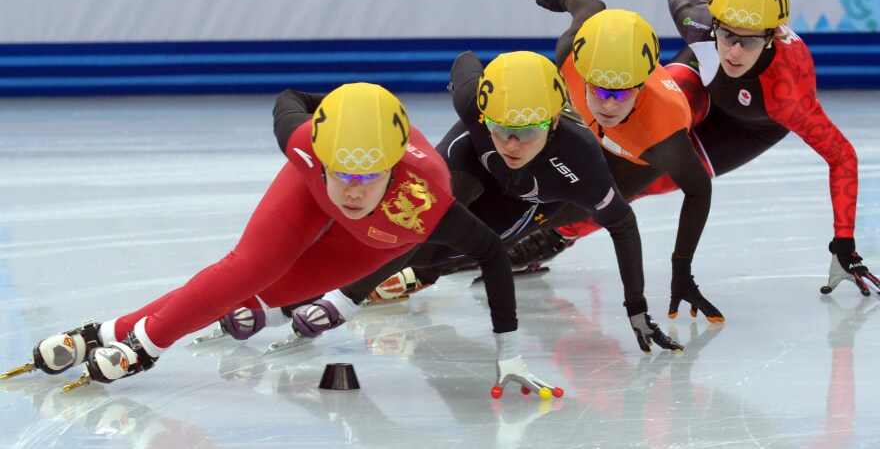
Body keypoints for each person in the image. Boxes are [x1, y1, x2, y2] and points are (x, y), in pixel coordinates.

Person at [4, 83, 558, 397]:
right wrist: (328, 110)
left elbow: (491, 252)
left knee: (263, 298)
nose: (354, 190)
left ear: (396, 168)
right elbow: (289, 98)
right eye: (342, 171)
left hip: (381, 238)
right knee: (247, 269)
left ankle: (107, 333)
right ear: (319, 153)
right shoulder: (302, 145)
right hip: (304, 188)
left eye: (370, 175)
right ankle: (141, 346)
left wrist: (508, 353)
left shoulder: (427, 201)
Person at [223, 50, 682, 356]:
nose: (511, 143)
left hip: (526, 198)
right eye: (499, 128)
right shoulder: (473, 105)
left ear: (554, 125)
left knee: (444, 253)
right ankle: (310, 300)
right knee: (403, 227)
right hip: (464, 164)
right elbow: (465, 61)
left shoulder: (581, 161)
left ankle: (376, 283)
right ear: (482, 109)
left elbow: (623, 226)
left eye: (526, 132)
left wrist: (636, 310)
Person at [522, 0, 880, 300]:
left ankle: (557, 233)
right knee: (649, 128)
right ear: (716, 22)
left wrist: (844, 242)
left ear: (771, 37)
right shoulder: (699, 21)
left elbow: (842, 155)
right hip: (698, 82)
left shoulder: (789, 92)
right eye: (727, 35)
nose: (735, 51)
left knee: (656, 174)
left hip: (749, 127)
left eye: (750, 41)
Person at [525, 0, 720, 322]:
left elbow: (699, 190)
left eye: (622, 91)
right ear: (582, 73)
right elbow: (590, 6)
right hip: (602, 133)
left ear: (642, 84)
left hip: (637, 155)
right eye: (599, 89)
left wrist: (682, 270)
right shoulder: (571, 53)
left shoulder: (664, 140)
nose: (609, 103)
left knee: (554, 213)